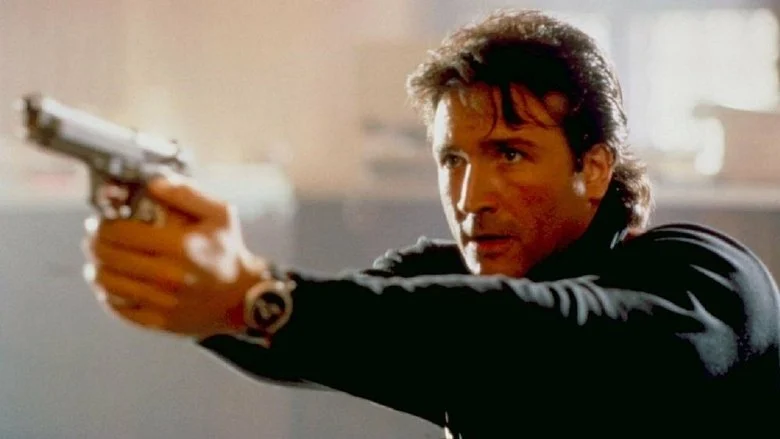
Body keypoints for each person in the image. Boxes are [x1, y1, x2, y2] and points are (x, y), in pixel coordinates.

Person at [83, 8, 780, 438]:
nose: (471, 195)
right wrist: (187, 285)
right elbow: (324, 333)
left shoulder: (711, 281)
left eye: (510, 153)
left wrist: (255, 296)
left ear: (593, 168)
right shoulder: (445, 287)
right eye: (453, 159)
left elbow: (548, 336)